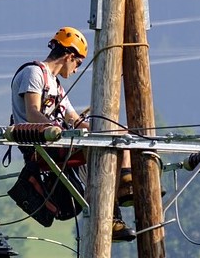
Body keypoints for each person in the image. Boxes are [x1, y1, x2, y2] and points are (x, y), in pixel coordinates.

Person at [10, 26, 136, 242]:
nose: (76, 69)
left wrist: (110, 131)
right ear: (69, 56)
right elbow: (32, 112)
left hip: (57, 142)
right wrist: (57, 129)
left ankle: (124, 183)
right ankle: (111, 213)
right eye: (77, 63)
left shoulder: (57, 87)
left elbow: (74, 119)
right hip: (39, 145)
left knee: (112, 140)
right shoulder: (34, 73)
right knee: (96, 150)